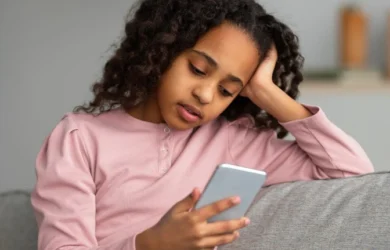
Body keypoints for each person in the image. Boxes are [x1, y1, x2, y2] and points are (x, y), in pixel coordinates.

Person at [30, 0, 374, 249]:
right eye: (197, 69)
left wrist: (266, 92)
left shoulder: (234, 141)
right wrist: (149, 244)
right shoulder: (80, 138)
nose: (206, 95)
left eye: (227, 89)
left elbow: (353, 174)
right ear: (160, 51)